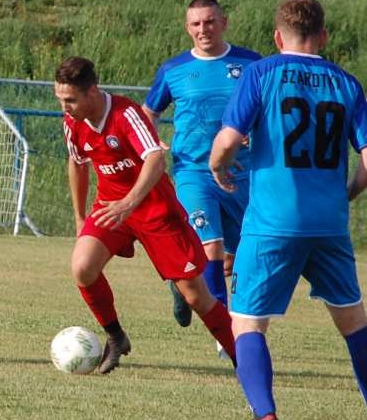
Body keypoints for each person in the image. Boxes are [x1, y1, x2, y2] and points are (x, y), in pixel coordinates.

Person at [209, 0, 367, 420]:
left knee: (248, 322)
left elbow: (227, 141)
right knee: (354, 322)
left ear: (277, 36)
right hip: (329, 223)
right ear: (324, 36)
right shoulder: (346, 83)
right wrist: (348, 191)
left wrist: (219, 168)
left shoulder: (261, 72)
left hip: (273, 223)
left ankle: (265, 418)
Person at [55, 56, 236, 374]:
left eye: (70, 100)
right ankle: (115, 336)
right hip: (110, 207)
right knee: (83, 268)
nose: (65, 106)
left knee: (198, 297)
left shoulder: (126, 114)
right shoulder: (73, 123)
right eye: (60, 99)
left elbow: (155, 159)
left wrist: (129, 202)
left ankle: (243, 360)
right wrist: (80, 216)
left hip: (155, 210)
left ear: (92, 92)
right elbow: (77, 163)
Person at [143, 0, 261, 346]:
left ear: (223, 22)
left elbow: (268, 110)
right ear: (187, 28)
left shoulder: (251, 64)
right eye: (195, 24)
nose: (202, 29)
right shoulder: (173, 70)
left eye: (209, 22)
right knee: (210, 246)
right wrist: (151, 144)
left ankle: (183, 284)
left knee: (240, 257)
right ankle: (227, 336)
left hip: (244, 174)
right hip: (194, 173)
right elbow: (148, 112)